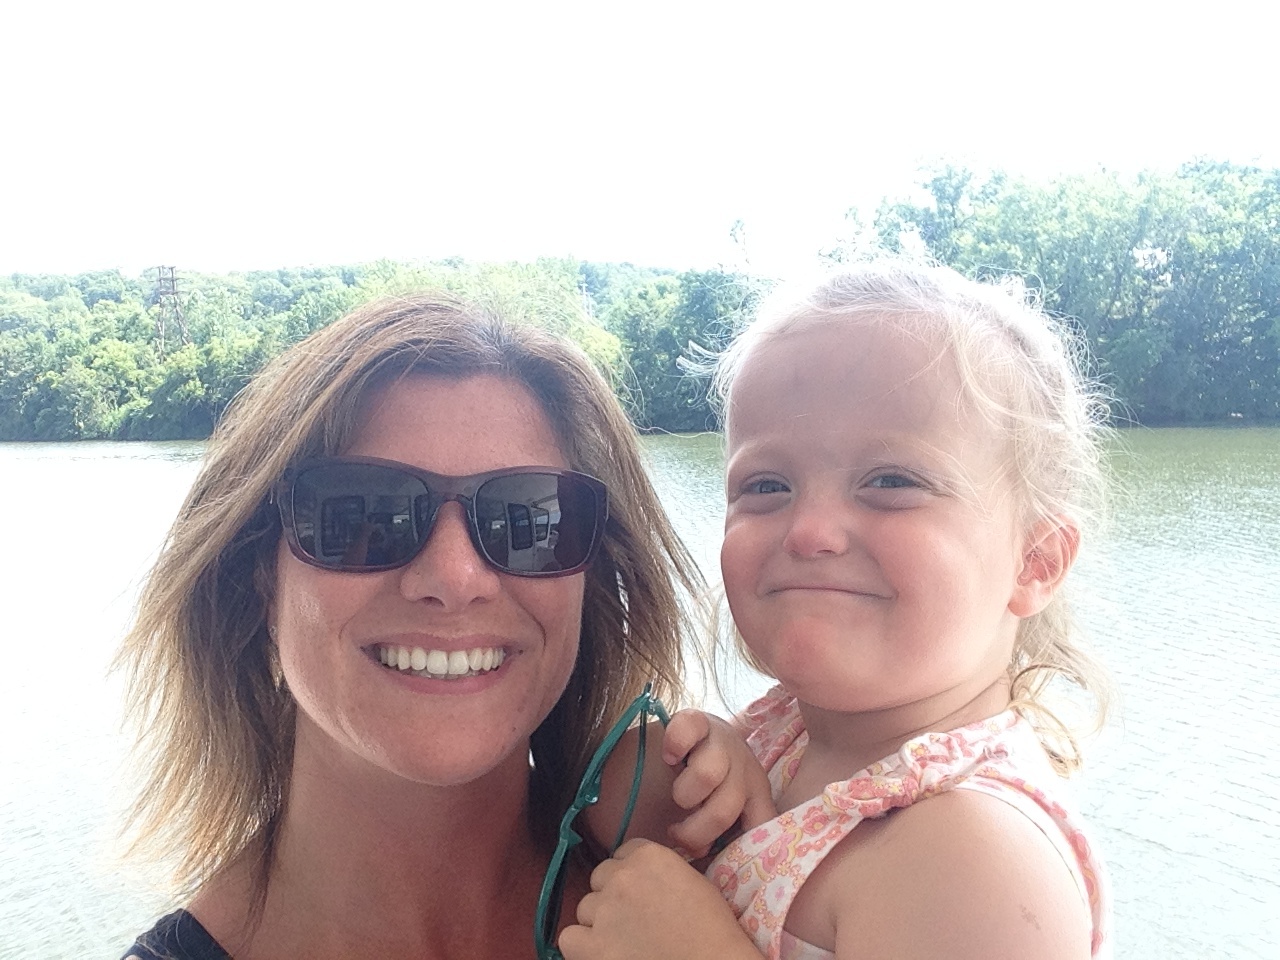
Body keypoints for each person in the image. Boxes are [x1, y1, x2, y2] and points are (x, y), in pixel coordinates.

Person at [115, 291, 712, 959]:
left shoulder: (745, 884)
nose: (455, 578)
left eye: (530, 520)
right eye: (363, 514)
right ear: (259, 578)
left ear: (588, 580)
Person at [559, 261, 1114, 960]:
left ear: (1035, 561)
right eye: (766, 484)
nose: (810, 532)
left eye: (891, 481)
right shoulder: (789, 741)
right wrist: (696, 766)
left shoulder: (974, 855)